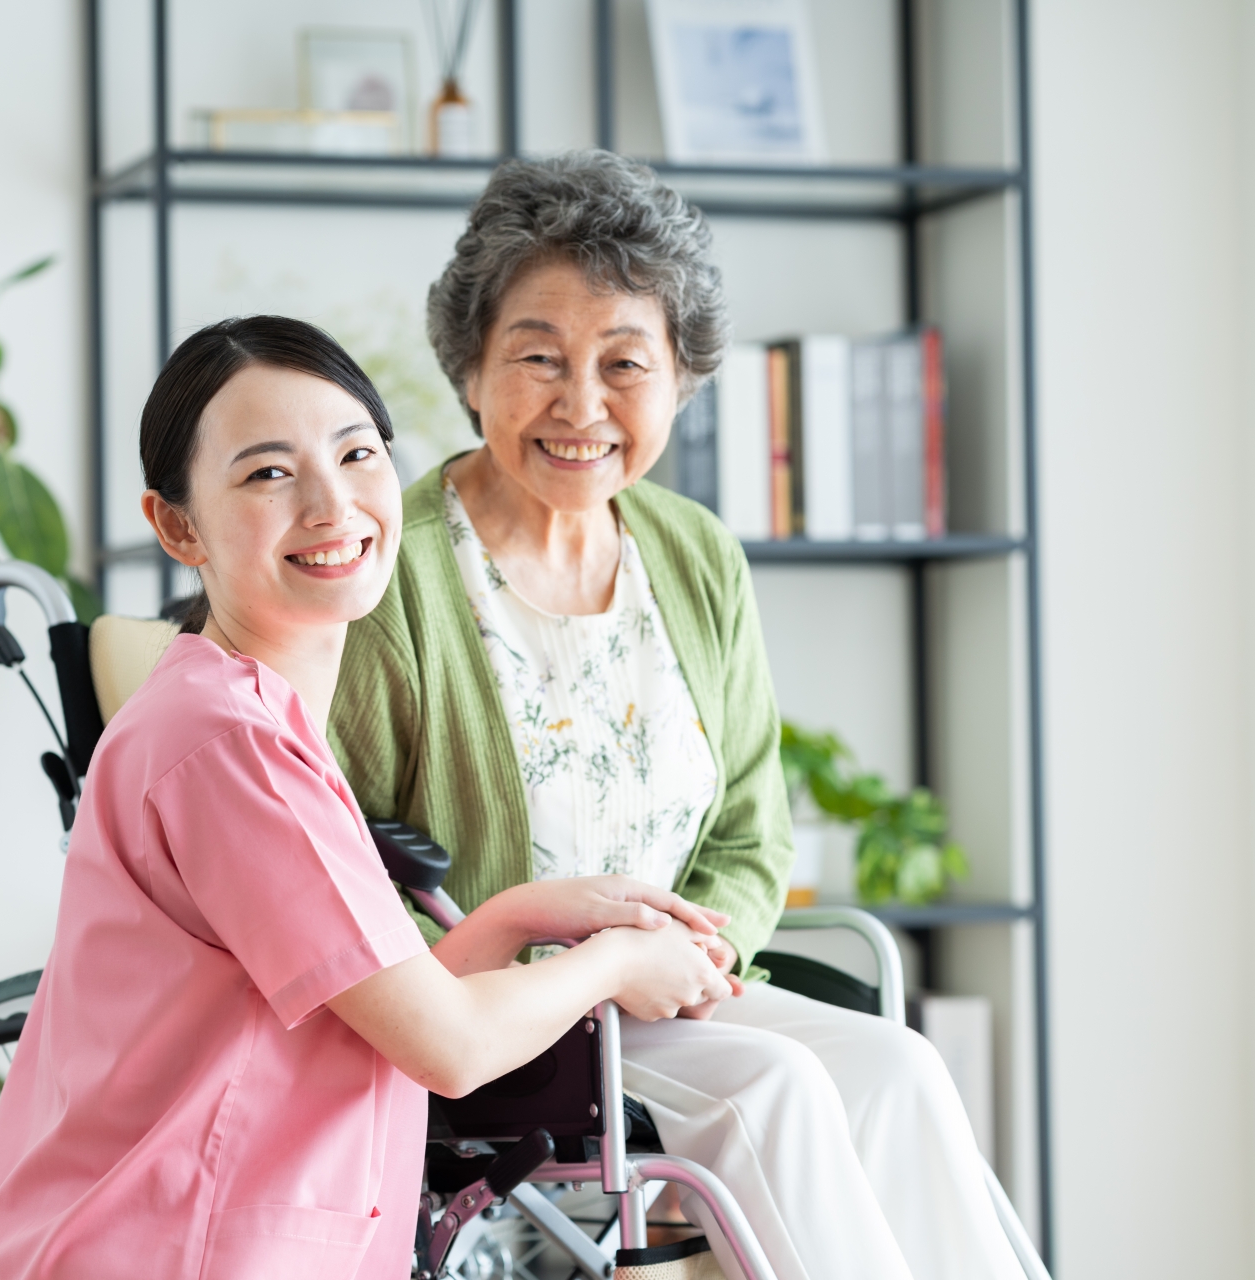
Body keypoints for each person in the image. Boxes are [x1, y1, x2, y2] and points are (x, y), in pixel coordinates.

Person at [330, 153, 1028, 1280]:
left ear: (683, 380)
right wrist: (562, 970)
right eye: (539, 358)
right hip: (503, 1021)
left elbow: (753, 833)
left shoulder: (696, 552)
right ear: (471, 366)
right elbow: (341, 858)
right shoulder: (394, 569)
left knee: (901, 1066)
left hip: (676, 997)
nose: (581, 406)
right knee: (781, 1086)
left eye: (624, 364)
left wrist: (688, 956)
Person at [0, 315, 728, 1280]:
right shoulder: (228, 745)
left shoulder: (253, 720)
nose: (334, 503)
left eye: (357, 453)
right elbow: (446, 1047)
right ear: (177, 525)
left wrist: (528, 911)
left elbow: (366, 1009)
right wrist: (617, 962)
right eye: (268, 474)